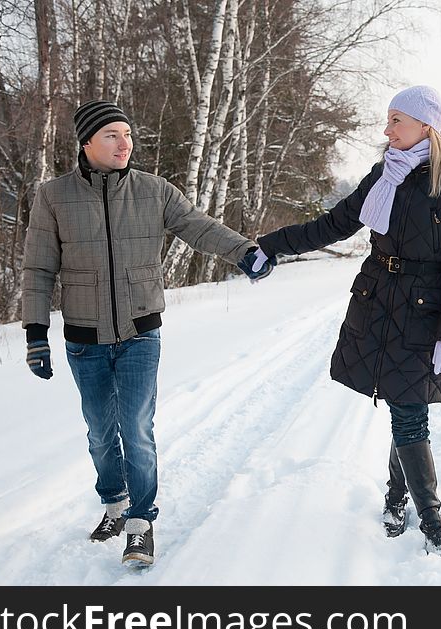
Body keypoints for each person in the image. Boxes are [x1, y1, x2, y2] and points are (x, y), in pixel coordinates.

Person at [21, 100, 267, 566]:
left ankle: (140, 521)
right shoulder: (54, 196)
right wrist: (36, 332)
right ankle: (113, 504)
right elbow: (37, 268)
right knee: (99, 431)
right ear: (87, 142)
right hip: (84, 336)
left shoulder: (153, 190)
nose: (124, 143)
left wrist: (244, 252)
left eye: (128, 134)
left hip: (140, 331)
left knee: (135, 428)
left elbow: (199, 228)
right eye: (112, 134)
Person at [249, 85, 441, 557]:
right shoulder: (384, 174)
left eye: (396, 120)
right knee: (405, 403)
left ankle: (431, 521)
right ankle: (397, 499)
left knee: (409, 411)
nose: (386, 129)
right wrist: (270, 245)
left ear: (426, 126)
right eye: (388, 119)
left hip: (426, 311)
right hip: (378, 301)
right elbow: (334, 224)